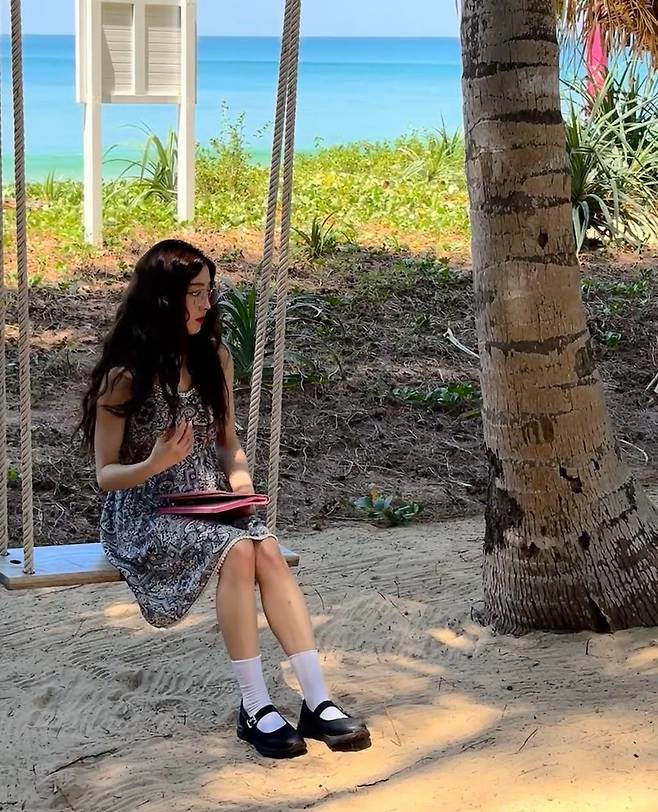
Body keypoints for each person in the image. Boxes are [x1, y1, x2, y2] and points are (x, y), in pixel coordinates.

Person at [79, 239, 370, 759]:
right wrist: (155, 463)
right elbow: (106, 476)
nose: (206, 303)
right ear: (164, 298)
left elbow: (229, 445)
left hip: (208, 504)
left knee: (267, 547)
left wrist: (241, 487)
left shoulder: (214, 358)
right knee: (237, 551)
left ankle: (317, 701)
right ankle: (255, 706)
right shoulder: (124, 378)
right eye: (194, 293)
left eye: (208, 291)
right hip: (144, 512)